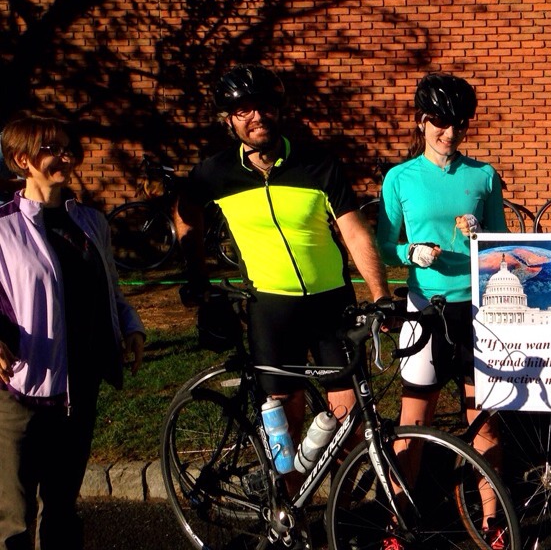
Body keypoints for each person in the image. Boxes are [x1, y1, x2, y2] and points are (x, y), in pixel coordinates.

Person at [174, 64, 391, 485]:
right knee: (284, 427)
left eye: (265, 107)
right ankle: (289, 509)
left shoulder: (317, 163)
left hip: (332, 303)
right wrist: (195, 273)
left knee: (350, 421)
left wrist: (380, 293)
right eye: (244, 110)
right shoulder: (215, 172)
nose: (257, 117)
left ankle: (340, 508)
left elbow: (354, 230)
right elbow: (186, 212)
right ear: (229, 119)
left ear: (279, 109)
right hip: (270, 309)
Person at [0, 115, 145, 550]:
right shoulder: (3, 227)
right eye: (52, 149)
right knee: (13, 518)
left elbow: (111, 289)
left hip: (80, 387)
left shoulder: (91, 221)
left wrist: (131, 327)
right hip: (22, 389)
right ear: (22, 159)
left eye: (68, 149)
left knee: (62, 508)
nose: (65, 157)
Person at [376, 73, 508, 550]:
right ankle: (396, 521)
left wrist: (482, 240)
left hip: (476, 310)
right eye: (440, 123)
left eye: (459, 125)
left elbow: (501, 244)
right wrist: (409, 252)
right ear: (422, 121)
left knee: (483, 420)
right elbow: (383, 245)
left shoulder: (483, 175)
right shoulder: (400, 178)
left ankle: (492, 519)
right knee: (414, 421)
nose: (450, 134)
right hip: (424, 310)